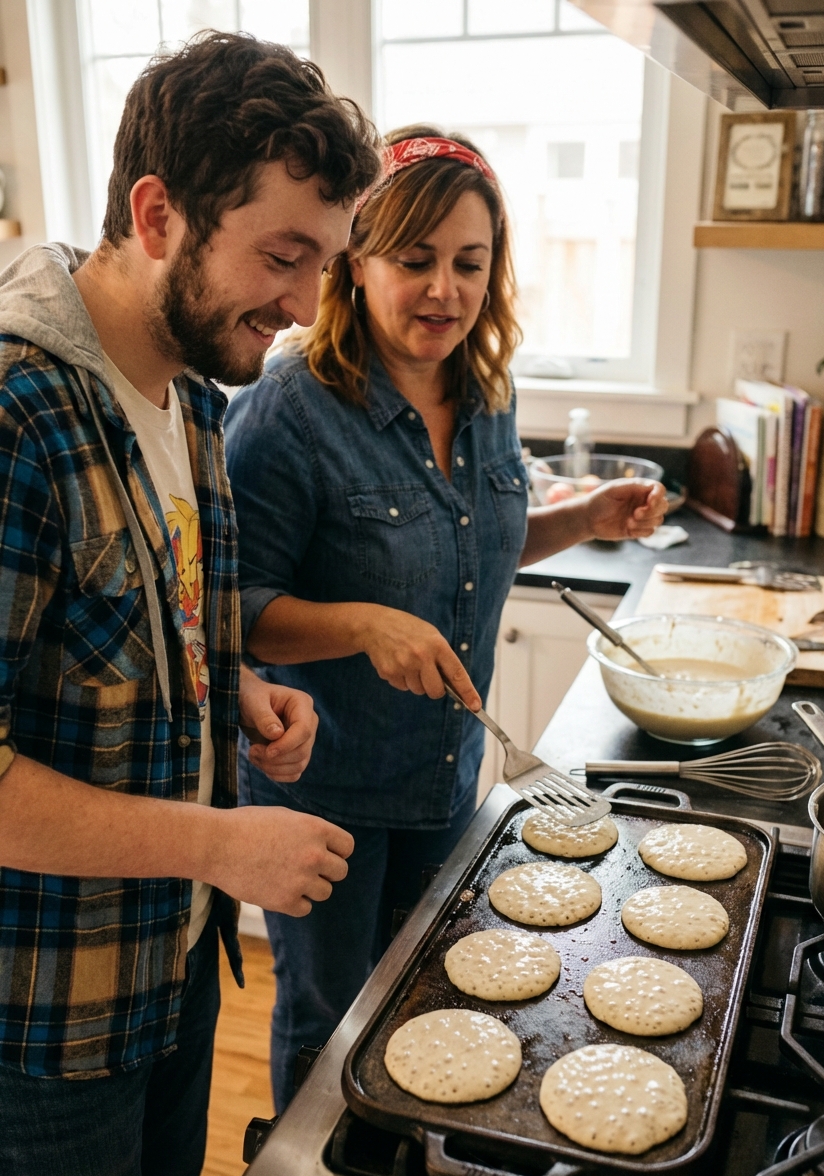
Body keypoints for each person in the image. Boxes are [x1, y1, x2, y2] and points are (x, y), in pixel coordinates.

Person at [0, 32, 380, 1176]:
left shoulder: (192, 397)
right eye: (283, 256)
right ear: (158, 213)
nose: (304, 307)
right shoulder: (18, 413)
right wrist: (220, 844)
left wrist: (235, 696)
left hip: (165, 976)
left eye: (323, 264)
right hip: (41, 1028)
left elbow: (128, 639)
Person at [224, 126, 668, 1111]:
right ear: (354, 261)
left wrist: (584, 518)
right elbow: (230, 610)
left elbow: (470, 551)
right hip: (320, 789)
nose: (443, 291)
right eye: (414, 260)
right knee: (329, 1019)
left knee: (428, 1006)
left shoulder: (487, 388)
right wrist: (361, 626)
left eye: (468, 263)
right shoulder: (288, 408)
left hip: (444, 780)